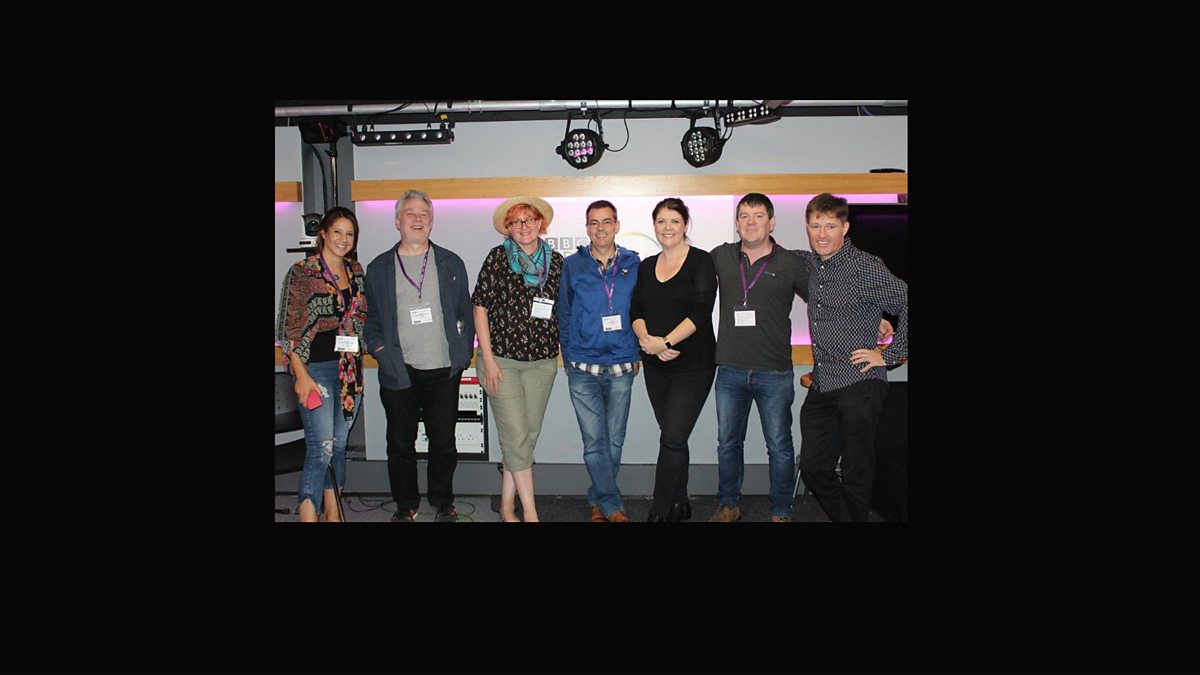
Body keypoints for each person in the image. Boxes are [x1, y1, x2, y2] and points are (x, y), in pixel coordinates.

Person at [363, 190, 475, 523]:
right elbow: (372, 321)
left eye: (424, 214)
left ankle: (442, 502)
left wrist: (462, 353)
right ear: (397, 221)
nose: (417, 219)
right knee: (400, 445)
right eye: (410, 213)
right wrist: (381, 353)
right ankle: (406, 505)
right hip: (399, 370)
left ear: (432, 221)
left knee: (444, 443)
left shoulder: (451, 262)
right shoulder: (379, 267)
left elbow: (465, 311)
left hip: (443, 369)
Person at [796, 192, 907, 522]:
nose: (822, 234)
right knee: (813, 466)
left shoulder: (864, 266)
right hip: (823, 382)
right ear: (807, 227)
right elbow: (773, 253)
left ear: (845, 228)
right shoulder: (810, 263)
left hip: (860, 382)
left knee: (857, 469)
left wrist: (890, 355)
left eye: (830, 226)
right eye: (815, 225)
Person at [472, 196, 564, 522]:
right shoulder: (498, 258)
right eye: (516, 221)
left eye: (530, 220)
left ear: (541, 223)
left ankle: (507, 505)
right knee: (516, 438)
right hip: (501, 362)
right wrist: (488, 360)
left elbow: (564, 309)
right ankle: (531, 514)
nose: (524, 226)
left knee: (524, 439)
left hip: (542, 363)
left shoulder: (557, 262)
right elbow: (480, 307)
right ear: (508, 228)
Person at [276, 206, 367, 523]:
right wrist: (300, 376)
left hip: (349, 370)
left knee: (338, 446)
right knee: (321, 448)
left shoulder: (356, 271)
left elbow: (361, 317)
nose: (343, 239)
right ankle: (308, 517)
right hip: (313, 370)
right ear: (324, 234)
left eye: (350, 233)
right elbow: (287, 329)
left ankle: (333, 513)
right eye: (337, 231)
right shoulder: (302, 272)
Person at [630, 198, 717, 522]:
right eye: (661, 221)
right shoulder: (645, 266)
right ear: (654, 225)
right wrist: (648, 342)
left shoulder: (701, 261)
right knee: (673, 436)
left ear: (685, 224)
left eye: (674, 221)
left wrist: (665, 342)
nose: (667, 227)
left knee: (673, 437)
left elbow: (702, 310)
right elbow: (635, 310)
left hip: (693, 366)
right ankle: (679, 502)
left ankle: (659, 510)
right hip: (656, 366)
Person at [558, 200, 641, 523]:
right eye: (594, 222)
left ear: (617, 225)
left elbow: (642, 310)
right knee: (594, 442)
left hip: (621, 364)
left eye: (607, 221)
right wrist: (569, 356)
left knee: (614, 441)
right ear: (587, 228)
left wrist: (636, 350)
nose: (600, 228)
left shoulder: (634, 263)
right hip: (583, 366)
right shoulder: (572, 265)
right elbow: (564, 313)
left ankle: (598, 499)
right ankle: (611, 505)